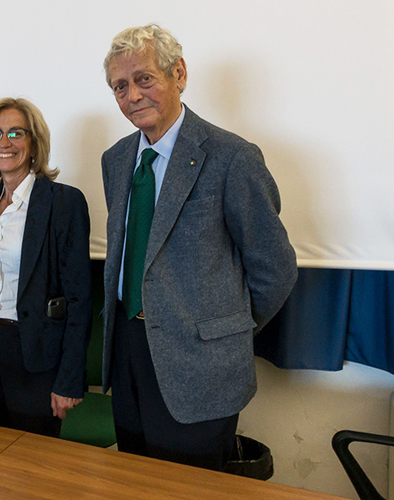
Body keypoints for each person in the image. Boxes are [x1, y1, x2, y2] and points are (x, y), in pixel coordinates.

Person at [100, 25, 298, 469]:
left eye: (144, 79)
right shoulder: (115, 160)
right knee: (134, 481)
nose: (132, 95)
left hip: (200, 364)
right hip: (129, 353)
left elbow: (276, 267)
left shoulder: (232, 157)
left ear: (179, 74)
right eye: (120, 86)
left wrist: (225, 330)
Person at [0, 98, 92, 437]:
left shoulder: (64, 202)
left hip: (36, 355)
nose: (3, 142)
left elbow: (80, 299)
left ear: (34, 142)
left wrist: (69, 379)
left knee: (33, 463)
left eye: (15, 133)